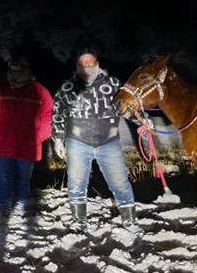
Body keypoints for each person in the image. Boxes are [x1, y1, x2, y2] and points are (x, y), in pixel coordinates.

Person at [50, 50, 139, 231]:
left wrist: (142, 122)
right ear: (77, 66)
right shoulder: (68, 87)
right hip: (77, 142)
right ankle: (80, 221)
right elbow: (58, 112)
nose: (87, 65)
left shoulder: (113, 83)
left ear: (97, 64)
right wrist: (57, 138)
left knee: (120, 182)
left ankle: (130, 221)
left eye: (90, 62)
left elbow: (127, 106)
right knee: (76, 182)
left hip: (109, 141)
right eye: (83, 63)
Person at [0, 55, 52, 216]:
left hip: (28, 146)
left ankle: (20, 205)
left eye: (18, 70)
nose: (14, 74)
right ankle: (4, 206)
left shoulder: (40, 91)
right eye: (12, 70)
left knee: (23, 179)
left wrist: (39, 136)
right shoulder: (0, 89)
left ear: (26, 70)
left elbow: (48, 116)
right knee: (4, 178)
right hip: (3, 144)